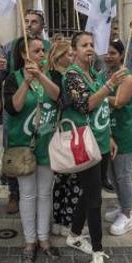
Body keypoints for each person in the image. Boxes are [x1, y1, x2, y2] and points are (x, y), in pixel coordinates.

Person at [61, 32, 126, 263]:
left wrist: (108, 135)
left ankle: (75, 235)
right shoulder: (72, 76)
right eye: (84, 45)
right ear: (74, 50)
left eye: (91, 44)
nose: (90, 48)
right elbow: (85, 105)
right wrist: (110, 85)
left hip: (100, 142)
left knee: (91, 191)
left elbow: (101, 110)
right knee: (95, 198)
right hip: (85, 146)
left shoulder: (95, 74)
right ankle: (97, 251)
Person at [2, 36, 62, 263]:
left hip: (47, 145)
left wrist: (40, 76)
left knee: (45, 193)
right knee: (27, 195)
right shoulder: (12, 79)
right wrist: (26, 82)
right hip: (23, 148)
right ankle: (30, 241)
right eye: (36, 50)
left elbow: (58, 97)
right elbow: (14, 108)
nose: (41, 54)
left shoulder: (53, 76)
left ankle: (44, 239)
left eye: (43, 50)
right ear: (24, 55)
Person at [0, 9, 50, 214]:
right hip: (16, 115)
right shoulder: (9, 47)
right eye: (26, 21)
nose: (29, 24)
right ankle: (15, 193)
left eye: (34, 22)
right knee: (15, 150)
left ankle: (45, 194)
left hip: (43, 110)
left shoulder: (49, 47)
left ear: (42, 26)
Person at [103, 39, 132, 236]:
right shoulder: (104, 75)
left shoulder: (127, 77)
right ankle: (122, 205)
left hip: (125, 132)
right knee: (111, 175)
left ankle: (128, 213)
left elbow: (118, 102)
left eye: (113, 53)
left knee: (122, 175)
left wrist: (96, 95)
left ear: (121, 55)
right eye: (106, 53)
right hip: (108, 132)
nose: (108, 56)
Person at [48, 41, 82, 237]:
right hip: (67, 131)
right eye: (69, 54)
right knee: (70, 179)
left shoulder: (63, 74)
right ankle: (65, 220)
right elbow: (67, 102)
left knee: (65, 178)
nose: (73, 57)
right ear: (59, 57)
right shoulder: (61, 77)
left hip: (64, 131)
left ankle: (61, 220)